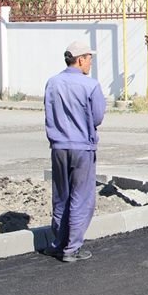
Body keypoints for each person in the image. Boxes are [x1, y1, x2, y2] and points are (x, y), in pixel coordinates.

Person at [43, 40, 107, 262]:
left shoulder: (52, 83)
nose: (90, 63)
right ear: (80, 60)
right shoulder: (90, 85)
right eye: (89, 58)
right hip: (82, 148)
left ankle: (57, 243)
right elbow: (98, 117)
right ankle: (72, 248)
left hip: (58, 147)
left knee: (61, 196)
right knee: (81, 198)